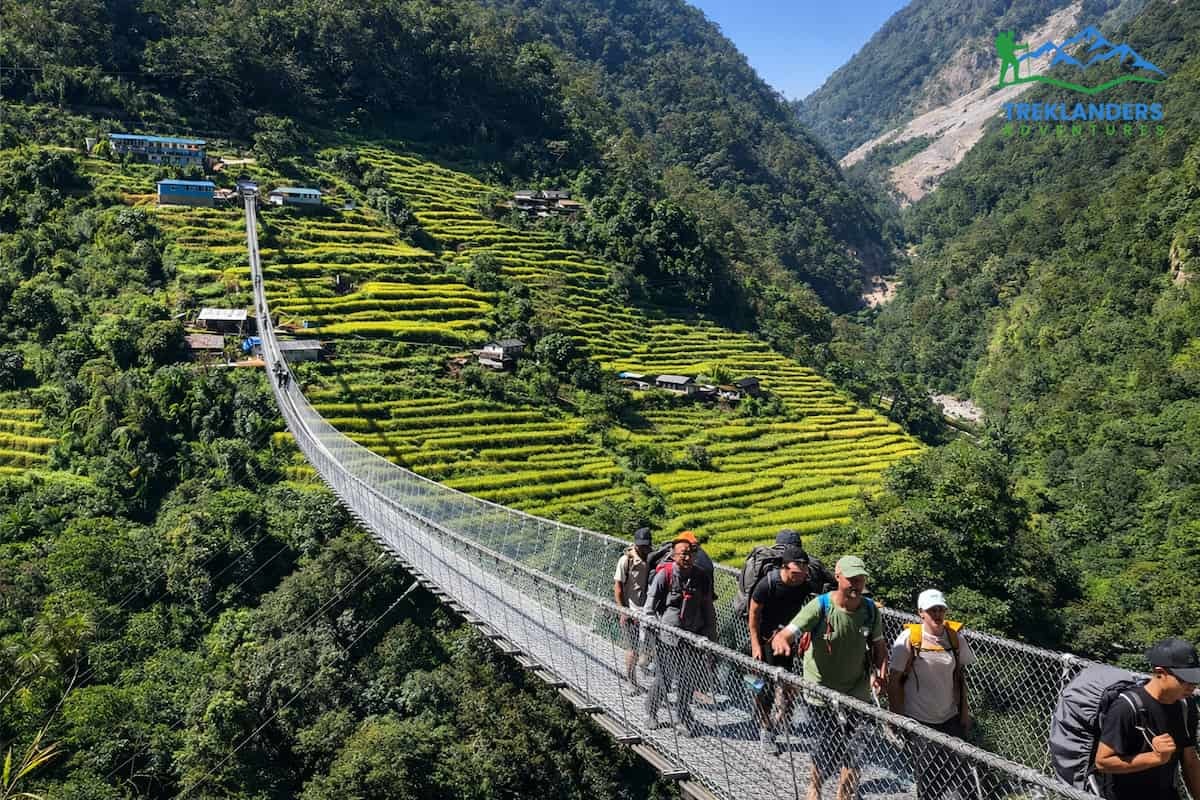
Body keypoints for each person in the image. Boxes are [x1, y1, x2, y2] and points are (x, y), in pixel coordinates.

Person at [771, 556, 886, 800]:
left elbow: (879, 646)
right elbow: (791, 631)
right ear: (838, 577)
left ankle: (843, 796)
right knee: (827, 748)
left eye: (861, 580)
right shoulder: (820, 606)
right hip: (821, 692)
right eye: (851, 579)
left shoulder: (869, 610)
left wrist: (881, 670)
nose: (856, 585)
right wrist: (782, 640)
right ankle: (815, 786)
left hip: (857, 692)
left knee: (857, 749)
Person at [887, 589, 977, 798]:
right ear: (921, 613)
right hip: (920, 719)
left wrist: (964, 712)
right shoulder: (909, 639)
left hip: (950, 717)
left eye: (940, 609)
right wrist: (897, 717)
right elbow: (894, 681)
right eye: (932, 610)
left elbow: (960, 677)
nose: (937, 614)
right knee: (929, 782)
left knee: (965, 779)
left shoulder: (955, 639)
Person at [1094, 637, 1200, 800]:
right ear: (1160, 673)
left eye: (1195, 677)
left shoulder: (1186, 706)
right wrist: (1155, 757)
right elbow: (1102, 762)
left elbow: (1190, 760)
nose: (1193, 685)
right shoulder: (1127, 707)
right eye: (1184, 679)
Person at [644, 536, 717, 736]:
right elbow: (649, 608)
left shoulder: (701, 577)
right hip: (668, 636)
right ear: (674, 555)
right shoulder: (664, 575)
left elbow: (707, 607)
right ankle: (651, 712)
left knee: (688, 678)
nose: (687, 556)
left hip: (693, 635)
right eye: (683, 553)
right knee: (665, 678)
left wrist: (711, 634)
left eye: (691, 553)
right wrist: (653, 631)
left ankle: (682, 716)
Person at [748, 543, 811, 754]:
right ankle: (766, 729)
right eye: (795, 573)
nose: (799, 577)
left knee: (787, 686)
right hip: (766, 640)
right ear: (784, 567)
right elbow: (754, 616)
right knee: (763, 687)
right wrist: (756, 645)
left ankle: (775, 720)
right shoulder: (767, 585)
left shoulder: (804, 583)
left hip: (788, 641)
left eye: (803, 573)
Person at [613, 527, 652, 693]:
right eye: (640, 545)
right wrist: (623, 611)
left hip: (649, 612)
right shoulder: (625, 560)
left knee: (651, 648)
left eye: (646, 545)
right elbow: (618, 588)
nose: (643, 548)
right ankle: (631, 681)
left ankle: (644, 665)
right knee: (632, 648)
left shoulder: (653, 558)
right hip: (631, 611)